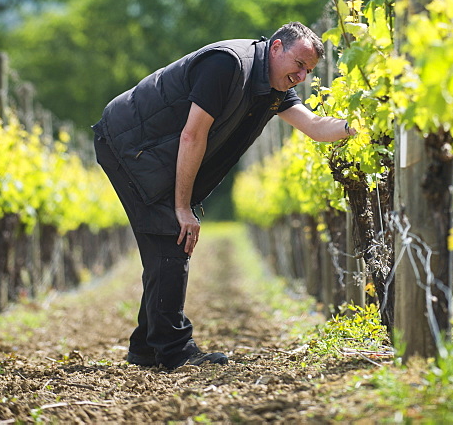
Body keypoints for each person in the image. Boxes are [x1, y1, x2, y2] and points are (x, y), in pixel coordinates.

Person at [92, 22, 356, 370]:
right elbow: (192, 135)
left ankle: (146, 347)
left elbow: (317, 126)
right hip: (130, 144)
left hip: (157, 152)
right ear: (276, 48)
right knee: (173, 235)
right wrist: (183, 207)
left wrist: (359, 123)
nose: (302, 76)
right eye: (299, 64)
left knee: (168, 243)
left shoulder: (271, 87)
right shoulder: (228, 64)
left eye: (308, 70)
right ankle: (173, 350)